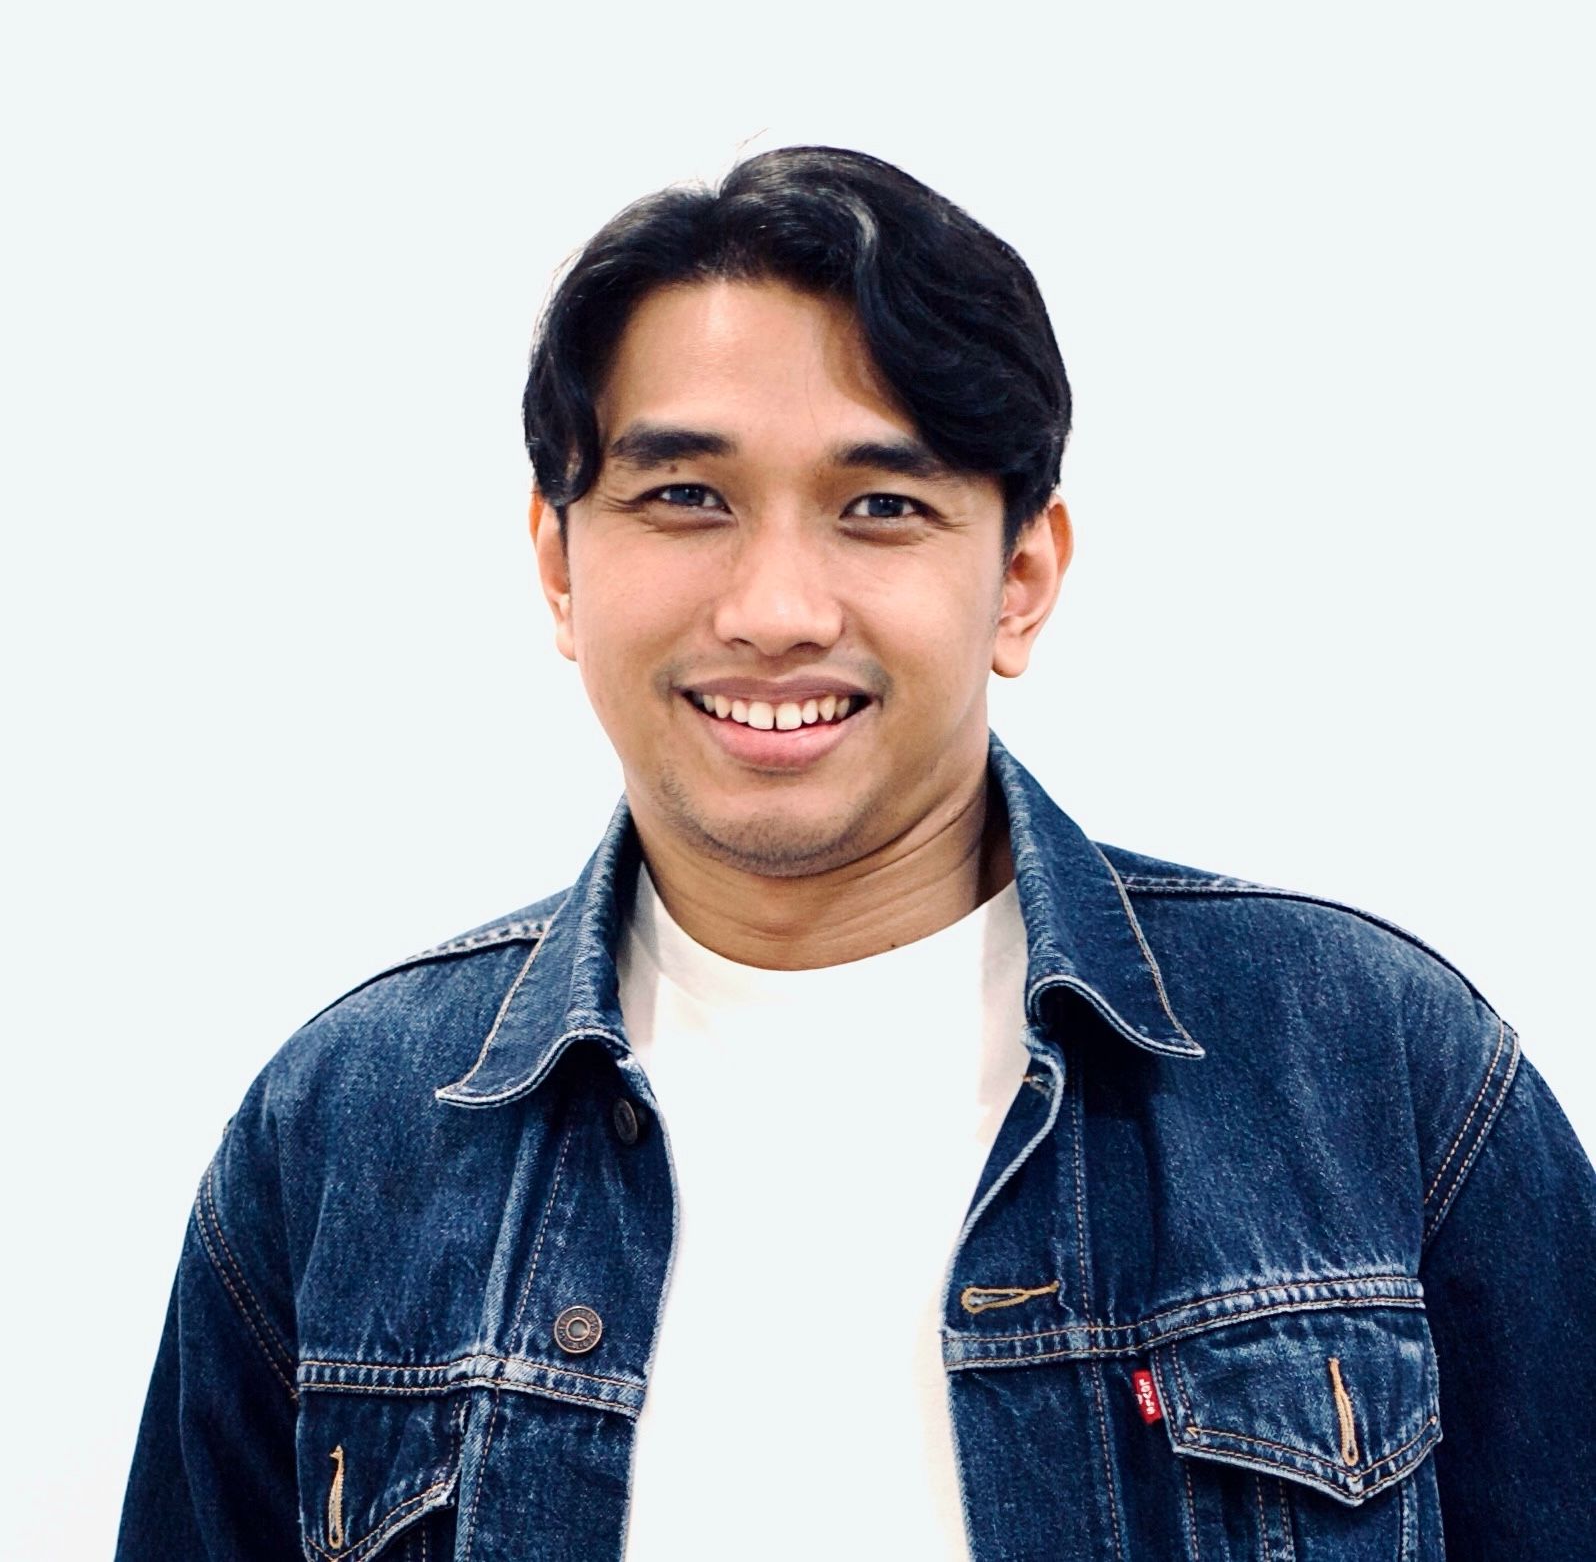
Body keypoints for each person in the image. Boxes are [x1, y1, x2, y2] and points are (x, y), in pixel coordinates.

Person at [116, 147, 1595, 1561]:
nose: (775, 609)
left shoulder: (1374, 1068)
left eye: (881, 506)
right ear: (560, 564)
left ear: (1021, 578)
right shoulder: (341, 1134)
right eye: (685, 498)